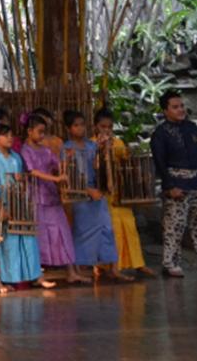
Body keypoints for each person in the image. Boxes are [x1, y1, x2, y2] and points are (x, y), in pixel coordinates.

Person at [150, 90, 197, 277]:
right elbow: (159, 162)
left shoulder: (192, 128)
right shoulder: (160, 134)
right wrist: (169, 187)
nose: (180, 110)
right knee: (174, 225)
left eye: (182, 106)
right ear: (165, 111)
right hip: (176, 182)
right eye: (175, 107)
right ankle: (170, 264)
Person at [0, 123, 54, 292]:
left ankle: (36, 276)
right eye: (5, 135)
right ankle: (9, 278)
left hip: (20, 202)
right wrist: (0, 208)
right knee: (9, 243)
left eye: (10, 135)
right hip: (4, 203)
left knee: (29, 240)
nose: (10, 138)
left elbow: (23, 178)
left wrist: (21, 180)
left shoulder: (16, 157)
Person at [19, 114, 85, 284]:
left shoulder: (46, 149)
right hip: (35, 197)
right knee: (39, 236)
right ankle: (37, 275)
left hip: (51, 196)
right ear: (29, 131)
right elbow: (32, 171)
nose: (42, 136)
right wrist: (56, 179)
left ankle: (71, 271)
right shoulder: (25, 150)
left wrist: (66, 159)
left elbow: (57, 163)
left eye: (44, 132)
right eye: (40, 132)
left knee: (63, 232)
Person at [63, 110, 127, 282]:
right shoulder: (67, 149)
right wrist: (87, 190)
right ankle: (78, 269)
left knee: (107, 228)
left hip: (97, 192)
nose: (80, 128)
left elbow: (99, 169)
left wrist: (104, 151)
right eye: (76, 125)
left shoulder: (91, 146)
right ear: (69, 128)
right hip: (79, 195)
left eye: (82, 124)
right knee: (81, 232)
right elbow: (69, 176)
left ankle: (113, 267)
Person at [94, 109, 155, 277]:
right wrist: (101, 149)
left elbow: (125, 163)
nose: (106, 130)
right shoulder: (92, 144)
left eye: (110, 126)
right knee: (110, 229)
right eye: (103, 126)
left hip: (119, 191)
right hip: (102, 192)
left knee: (129, 225)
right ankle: (109, 265)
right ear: (95, 126)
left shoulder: (118, 143)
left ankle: (138, 263)